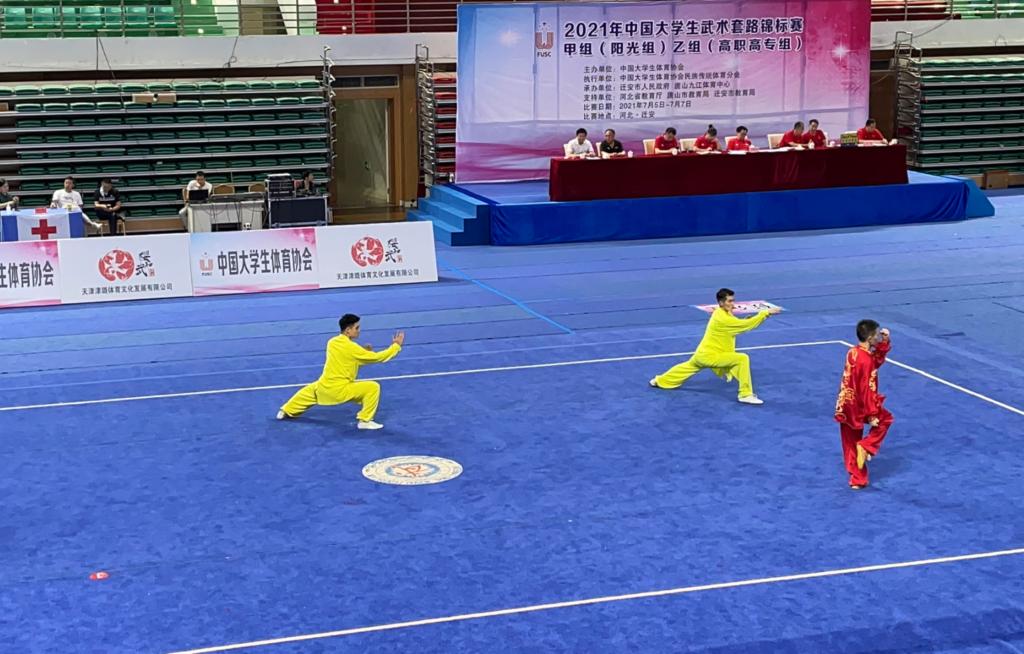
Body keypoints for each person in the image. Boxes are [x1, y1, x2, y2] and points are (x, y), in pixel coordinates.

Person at [649, 288, 780, 404]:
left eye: (733, 300)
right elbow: (744, 326)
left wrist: (747, 320)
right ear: (721, 303)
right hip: (711, 356)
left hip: (702, 354)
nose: (732, 304)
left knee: (688, 367)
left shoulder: (720, 313)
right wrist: (765, 313)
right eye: (729, 301)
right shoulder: (723, 318)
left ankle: (660, 380)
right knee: (742, 359)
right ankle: (745, 395)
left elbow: (735, 325)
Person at [278, 314, 405, 430]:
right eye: (357, 328)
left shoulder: (332, 342)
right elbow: (377, 358)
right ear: (348, 330)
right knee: (373, 387)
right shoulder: (352, 348)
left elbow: (348, 358)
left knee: (308, 392)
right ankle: (365, 421)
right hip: (340, 390)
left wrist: (363, 351)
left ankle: (286, 411)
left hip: (324, 386)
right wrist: (396, 346)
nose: (359, 330)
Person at [834, 320, 893, 489]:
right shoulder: (866, 360)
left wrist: (884, 343)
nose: (879, 338)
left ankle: (857, 480)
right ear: (869, 338)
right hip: (860, 404)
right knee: (885, 420)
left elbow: (874, 361)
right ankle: (866, 445)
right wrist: (871, 414)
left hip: (846, 404)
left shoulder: (853, 352)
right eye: (877, 335)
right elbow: (866, 389)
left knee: (849, 442)